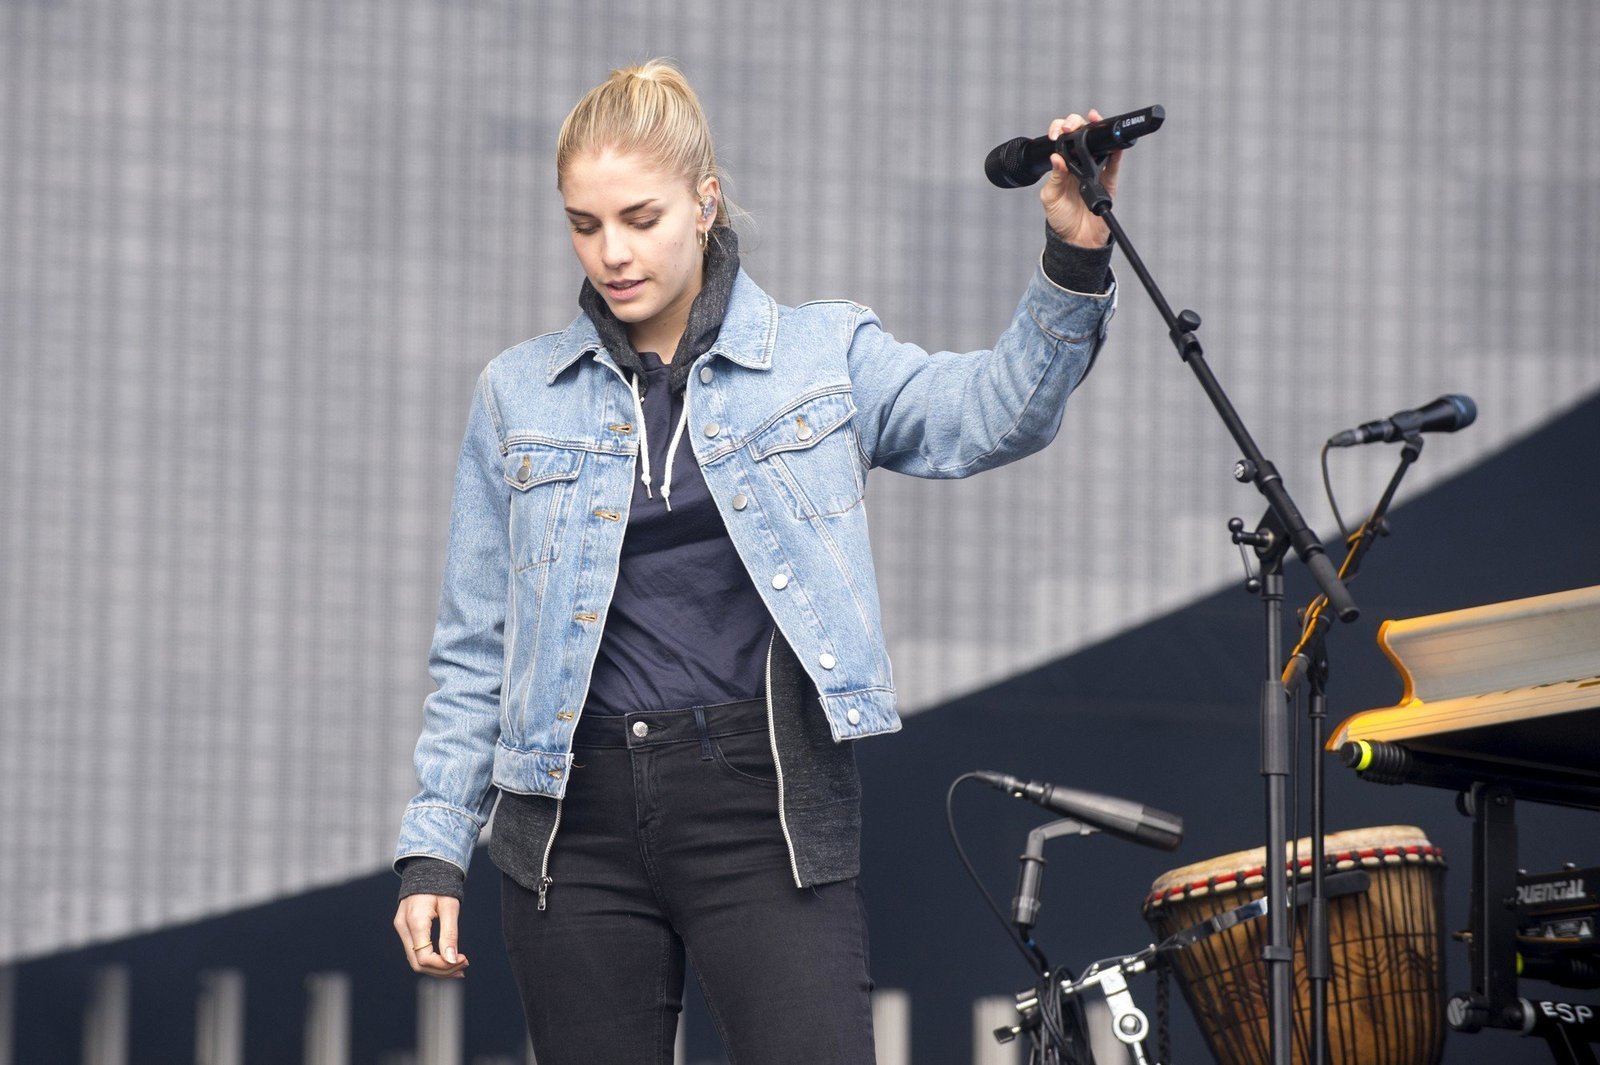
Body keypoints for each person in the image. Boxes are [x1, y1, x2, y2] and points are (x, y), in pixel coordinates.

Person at [392, 58, 1120, 1065]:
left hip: (761, 802)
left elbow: (993, 413)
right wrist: (434, 849)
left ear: (705, 201)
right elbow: (474, 644)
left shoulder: (822, 355)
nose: (612, 252)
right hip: (569, 824)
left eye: (640, 218)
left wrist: (1072, 255)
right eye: (584, 223)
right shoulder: (519, 393)